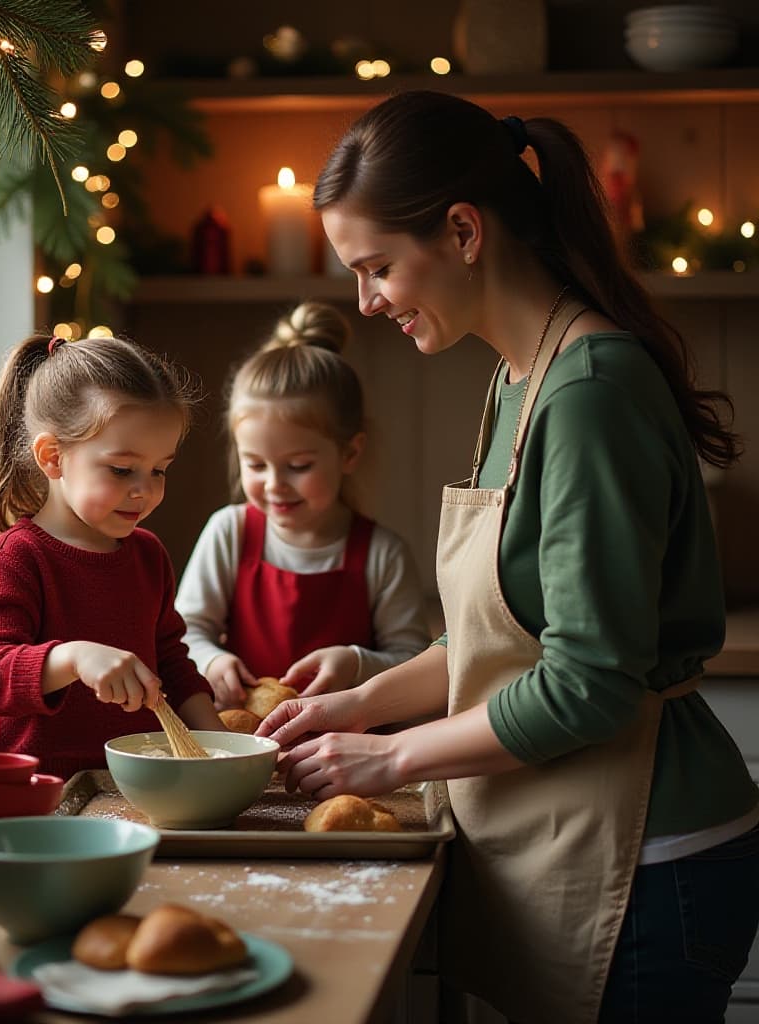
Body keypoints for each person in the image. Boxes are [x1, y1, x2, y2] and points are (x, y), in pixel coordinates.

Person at [257, 91, 759, 1024]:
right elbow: (505, 641)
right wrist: (360, 704)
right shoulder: (519, 380)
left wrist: (390, 759)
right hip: (580, 834)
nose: (366, 302)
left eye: (377, 268)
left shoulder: (590, 393)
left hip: (648, 859)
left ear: (462, 231)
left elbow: (588, 683)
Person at [0, 332, 224, 781]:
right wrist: (74, 659)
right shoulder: (18, 558)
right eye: (122, 469)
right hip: (43, 791)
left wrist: (222, 744)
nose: (144, 490)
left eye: (159, 470)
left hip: (138, 785)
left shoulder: (148, 555)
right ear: (53, 457)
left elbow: (171, 665)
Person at [175, 300, 429, 711]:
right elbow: (184, 632)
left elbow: (416, 664)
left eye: (298, 466)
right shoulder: (230, 532)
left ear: (349, 453)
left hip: (348, 739)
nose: (274, 484)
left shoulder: (383, 555)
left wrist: (356, 663)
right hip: (246, 739)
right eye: (255, 464)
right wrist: (212, 660)